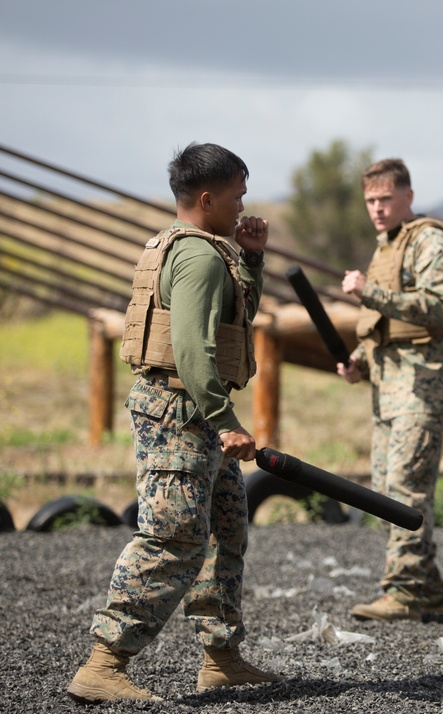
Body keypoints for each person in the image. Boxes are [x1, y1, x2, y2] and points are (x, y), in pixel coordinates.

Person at [67, 143, 283, 702]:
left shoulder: (208, 249)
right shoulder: (200, 258)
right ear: (207, 198)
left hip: (194, 414)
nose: (242, 207)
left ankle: (221, 658)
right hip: (182, 416)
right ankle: (103, 664)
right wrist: (225, 419)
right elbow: (191, 350)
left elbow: (232, 318)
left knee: (226, 531)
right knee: (174, 538)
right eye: (236, 196)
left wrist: (252, 257)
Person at [338, 158, 443, 622]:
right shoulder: (388, 248)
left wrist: (367, 293)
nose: (377, 209)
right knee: (385, 490)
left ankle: (405, 592)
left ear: (408, 198)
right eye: (371, 201)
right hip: (388, 389)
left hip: (423, 387)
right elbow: (383, 324)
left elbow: (434, 309)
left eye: (385, 199)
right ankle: (429, 589)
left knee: (406, 492)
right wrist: (358, 360)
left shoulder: (431, 243)